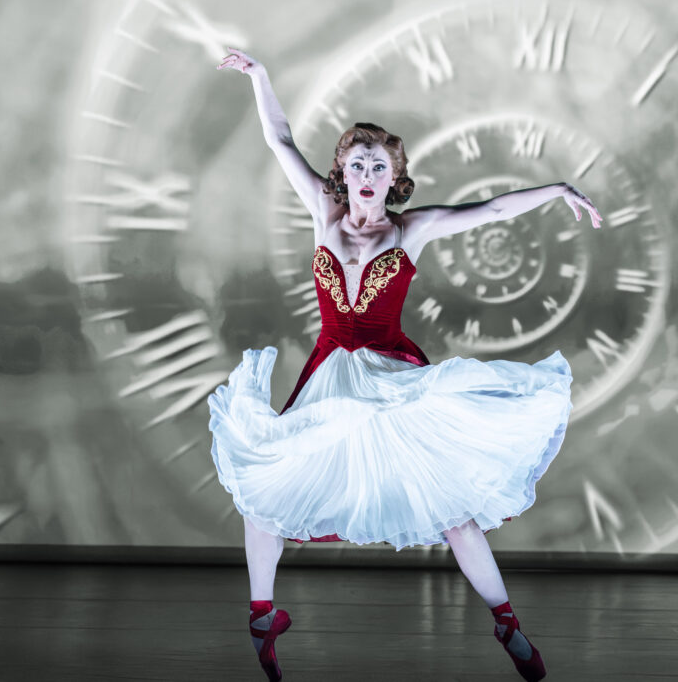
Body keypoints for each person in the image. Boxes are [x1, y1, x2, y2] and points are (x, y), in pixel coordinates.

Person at [210, 47, 603, 682]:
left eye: (379, 165)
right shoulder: (323, 212)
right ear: (343, 173)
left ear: (394, 179)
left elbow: (493, 210)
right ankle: (261, 614)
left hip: (393, 376)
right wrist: (260, 77)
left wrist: (556, 190)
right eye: (357, 163)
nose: (367, 172)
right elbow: (280, 139)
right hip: (329, 376)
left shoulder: (409, 229)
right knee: (264, 495)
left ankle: (507, 622)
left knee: (452, 512)